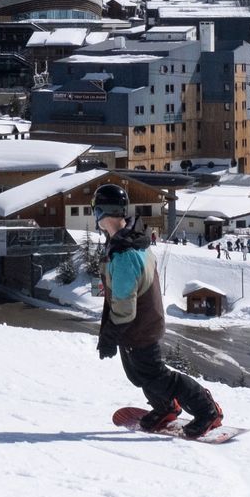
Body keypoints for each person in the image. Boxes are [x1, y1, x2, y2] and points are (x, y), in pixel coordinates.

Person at [92, 183, 222, 439]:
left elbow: (125, 307)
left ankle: (208, 411)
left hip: (139, 326)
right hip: (139, 325)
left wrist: (109, 337)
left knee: (157, 376)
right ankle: (165, 407)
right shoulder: (129, 240)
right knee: (140, 375)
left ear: (101, 213)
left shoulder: (125, 253)